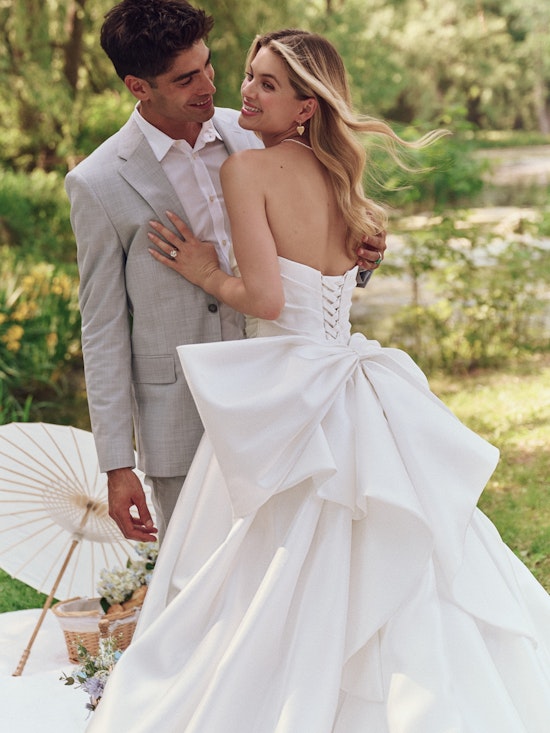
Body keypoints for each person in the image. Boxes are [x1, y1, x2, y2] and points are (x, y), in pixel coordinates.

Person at [86, 29, 550, 733]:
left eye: (264, 82)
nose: (239, 89)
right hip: (347, 375)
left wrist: (209, 272)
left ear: (306, 106)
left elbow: (271, 300)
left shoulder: (246, 166)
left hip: (286, 388)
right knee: (381, 545)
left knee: (268, 562)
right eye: (243, 75)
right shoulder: (334, 167)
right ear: (140, 86)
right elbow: (333, 274)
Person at [65, 0, 385, 543]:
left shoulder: (256, 133)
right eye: (187, 78)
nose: (211, 86)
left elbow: (309, 250)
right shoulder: (98, 183)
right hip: (182, 413)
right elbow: (102, 329)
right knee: (202, 579)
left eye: (209, 65)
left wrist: (363, 257)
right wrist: (117, 464)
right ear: (139, 86)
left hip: (285, 399)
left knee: (294, 561)